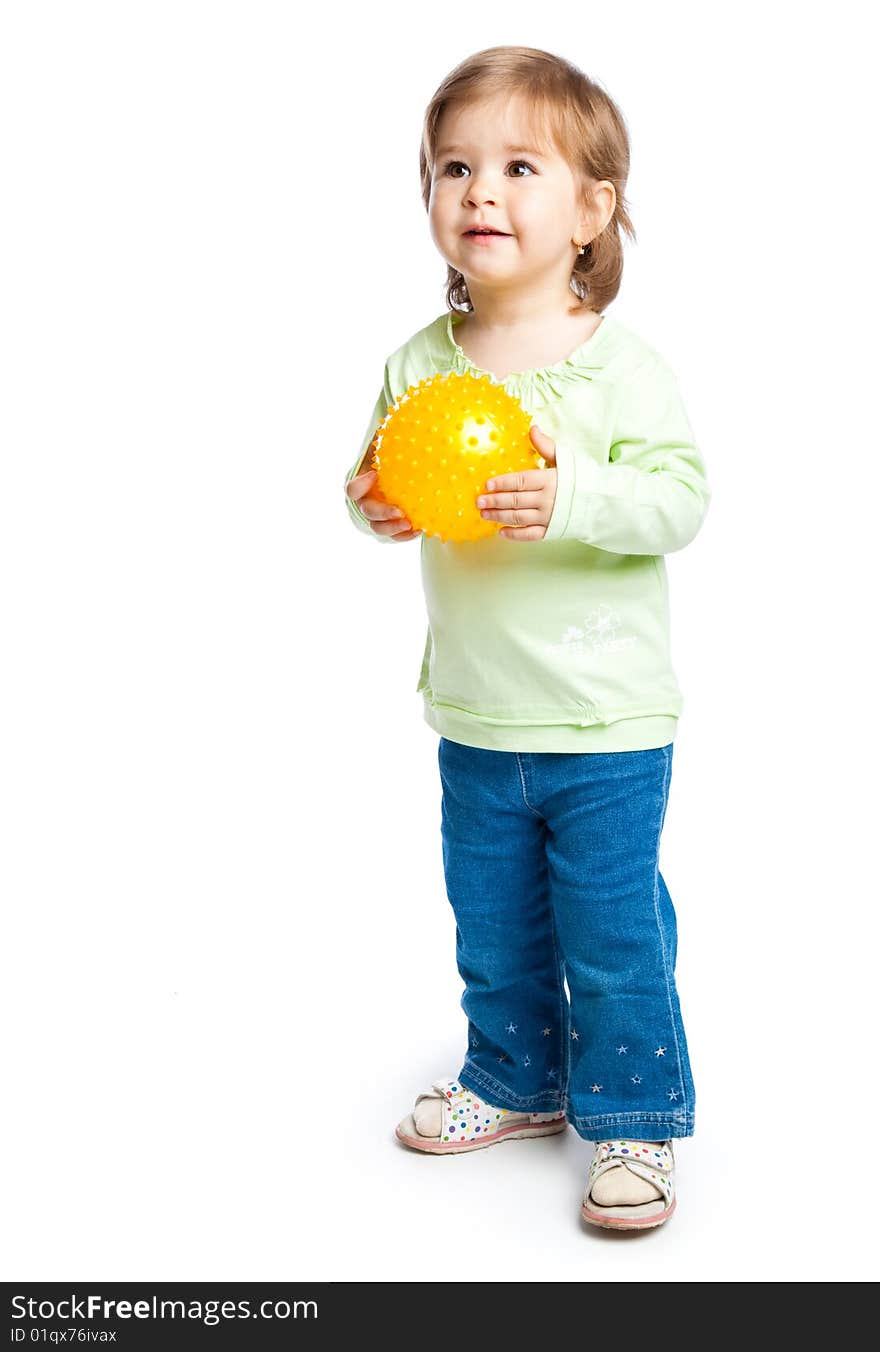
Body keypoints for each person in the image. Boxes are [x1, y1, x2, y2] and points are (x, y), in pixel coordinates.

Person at [343, 45, 711, 1231]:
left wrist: (573, 493)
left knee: (610, 932)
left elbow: (680, 499)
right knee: (492, 919)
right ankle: (515, 1076)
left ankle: (636, 1116)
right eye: (454, 167)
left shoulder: (618, 370)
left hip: (606, 718)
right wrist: (373, 501)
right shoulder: (420, 365)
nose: (480, 193)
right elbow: (371, 486)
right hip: (476, 710)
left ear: (592, 209)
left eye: (517, 166)